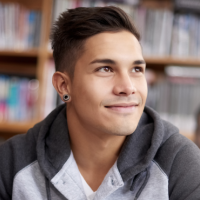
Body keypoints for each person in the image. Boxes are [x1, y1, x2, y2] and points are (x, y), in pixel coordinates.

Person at [0, 6, 200, 200]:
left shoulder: (180, 163)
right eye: (105, 69)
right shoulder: (11, 163)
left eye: (137, 69)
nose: (128, 87)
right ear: (63, 85)